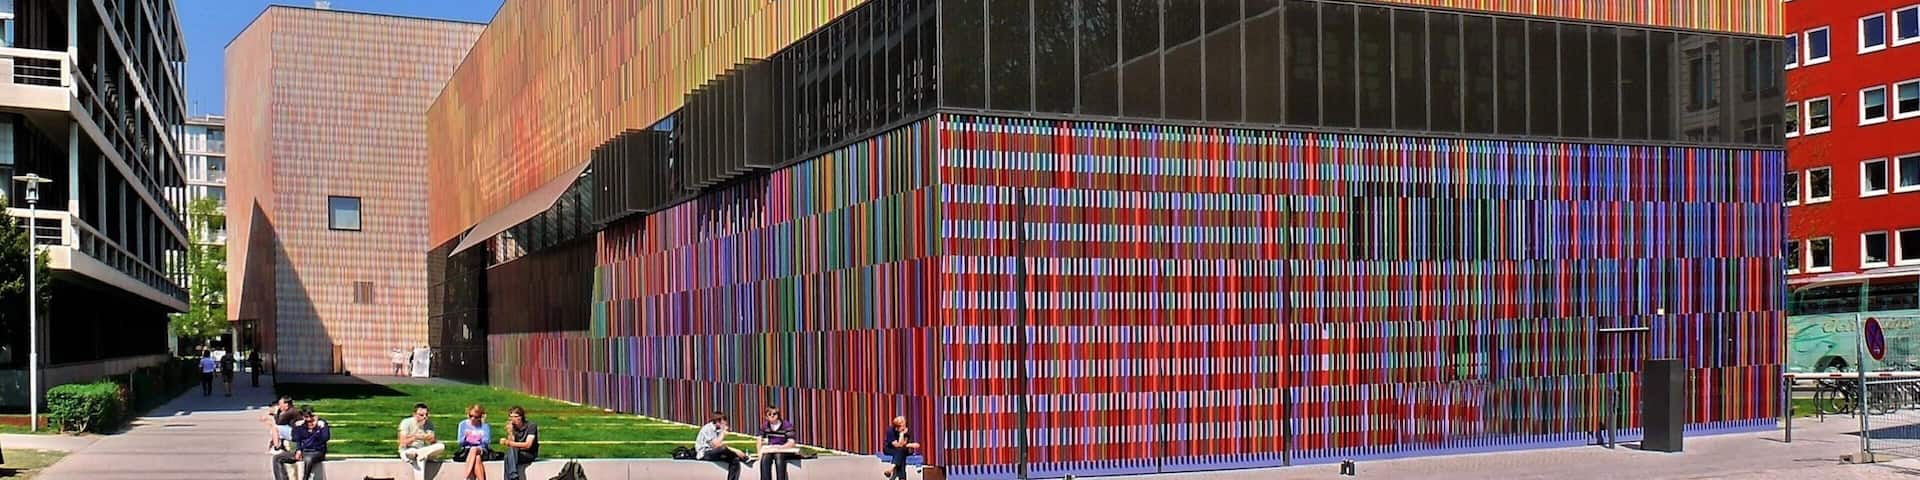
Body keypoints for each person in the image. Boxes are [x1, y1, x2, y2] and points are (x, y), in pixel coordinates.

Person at [273, 406, 329, 480]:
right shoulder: (300, 425)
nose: (309, 419)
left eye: (311, 416)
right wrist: (299, 450)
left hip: (316, 452)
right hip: (303, 451)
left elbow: (325, 438)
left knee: (308, 459)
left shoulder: (321, 424)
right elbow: (297, 439)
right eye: (306, 417)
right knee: (277, 458)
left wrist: (315, 429)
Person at [695, 411, 754, 480]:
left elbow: (720, 445)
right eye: (724, 421)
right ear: (717, 421)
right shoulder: (707, 428)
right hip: (705, 453)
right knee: (724, 449)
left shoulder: (717, 430)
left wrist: (735, 451)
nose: (726, 423)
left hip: (715, 452)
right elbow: (716, 445)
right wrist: (723, 433)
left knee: (734, 459)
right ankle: (743, 457)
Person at [398, 402, 447, 480]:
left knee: (441, 446)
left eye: (426, 415)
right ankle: (420, 454)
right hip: (409, 450)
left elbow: (433, 443)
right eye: (421, 415)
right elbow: (402, 443)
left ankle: (420, 454)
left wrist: (431, 439)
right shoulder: (406, 422)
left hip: (424, 450)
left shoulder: (429, 424)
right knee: (417, 455)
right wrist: (416, 437)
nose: (425, 417)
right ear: (414, 414)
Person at [499, 406, 539, 480]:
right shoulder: (513, 427)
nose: (512, 419)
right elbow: (512, 444)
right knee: (508, 455)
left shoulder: (531, 426)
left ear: (521, 417)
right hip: (516, 453)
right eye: (511, 417)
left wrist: (508, 443)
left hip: (529, 453)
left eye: (515, 416)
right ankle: (513, 477)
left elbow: (528, 445)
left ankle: (513, 476)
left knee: (510, 453)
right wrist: (510, 432)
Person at [757, 407, 797, 480]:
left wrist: (779, 448)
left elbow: (792, 443)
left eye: (774, 414)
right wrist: (759, 453)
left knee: (778, 455)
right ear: (766, 417)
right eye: (769, 414)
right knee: (765, 457)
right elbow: (759, 439)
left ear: (778, 415)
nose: (772, 416)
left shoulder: (786, 425)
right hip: (772, 449)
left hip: (784, 449)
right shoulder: (765, 426)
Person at [454, 404, 492, 480]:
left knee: (474, 449)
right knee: (477, 458)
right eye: (470, 416)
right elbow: (460, 442)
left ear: (480, 417)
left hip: (482, 450)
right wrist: (467, 437)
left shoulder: (485, 426)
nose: (473, 418)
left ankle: (466, 477)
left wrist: (472, 438)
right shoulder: (463, 424)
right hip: (466, 450)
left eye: (476, 417)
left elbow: (486, 442)